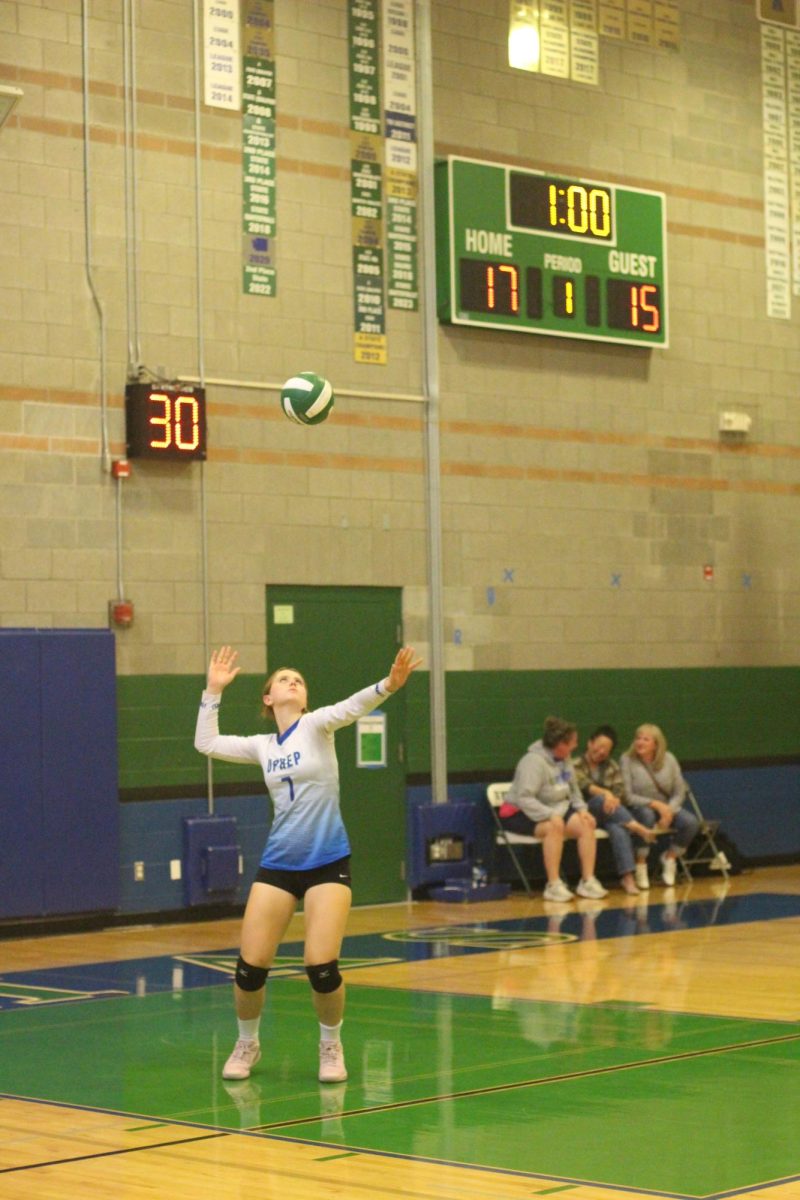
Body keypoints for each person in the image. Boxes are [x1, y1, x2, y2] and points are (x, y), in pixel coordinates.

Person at [194, 643, 421, 1085]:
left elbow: (353, 706)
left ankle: (330, 1045)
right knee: (249, 967)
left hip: (327, 860)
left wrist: (388, 686)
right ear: (268, 698)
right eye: (283, 679)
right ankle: (247, 1042)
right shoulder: (262, 746)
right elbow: (206, 743)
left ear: (305, 697)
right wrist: (213, 691)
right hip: (279, 863)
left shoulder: (317, 725)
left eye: (298, 680)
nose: (292, 682)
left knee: (321, 966)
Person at [498, 716, 608, 902]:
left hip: (555, 808)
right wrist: (550, 815)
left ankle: (587, 881)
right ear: (560, 744)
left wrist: (582, 810)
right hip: (520, 812)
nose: (575, 746)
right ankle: (553, 885)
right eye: (573, 742)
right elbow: (525, 798)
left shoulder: (565, 760)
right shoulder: (532, 762)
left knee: (586, 824)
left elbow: (573, 790)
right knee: (553, 827)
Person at [573, 724, 657, 895]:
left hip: (611, 814)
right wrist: (607, 795)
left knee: (617, 828)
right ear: (590, 743)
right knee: (600, 799)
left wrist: (613, 798)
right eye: (600, 746)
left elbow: (620, 792)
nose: (602, 751)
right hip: (585, 814)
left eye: (607, 749)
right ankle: (635, 826)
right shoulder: (575, 764)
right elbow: (585, 785)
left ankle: (628, 878)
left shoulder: (612, 766)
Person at [620, 724, 700, 888]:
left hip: (667, 808)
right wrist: (655, 804)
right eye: (638, 738)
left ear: (656, 744)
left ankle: (670, 858)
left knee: (691, 823)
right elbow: (627, 797)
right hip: (640, 807)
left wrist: (668, 810)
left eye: (646, 739)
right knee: (647, 815)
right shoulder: (627, 759)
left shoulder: (669, 759)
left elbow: (679, 791)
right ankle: (640, 864)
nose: (640, 742)